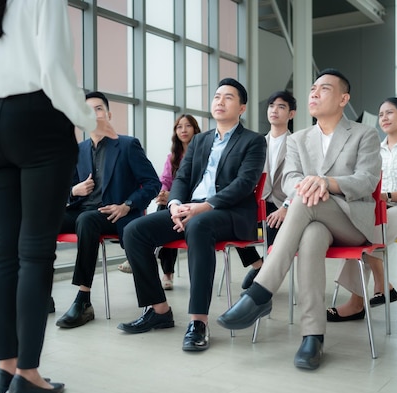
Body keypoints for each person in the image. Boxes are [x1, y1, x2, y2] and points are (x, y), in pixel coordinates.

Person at [0, 0, 117, 393]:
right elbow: (55, 69)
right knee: (35, 251)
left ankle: (5, 365)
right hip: (40, 119)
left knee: (2, 250)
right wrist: (87, 117)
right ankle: (28, 373)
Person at [216, 68, 381, 370]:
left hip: (351, 223)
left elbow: (367, 180)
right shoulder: (299, 139)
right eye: (312, 89)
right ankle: (312, 337)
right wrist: (309, 184)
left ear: (344, 98)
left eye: (324, 89)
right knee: (312, 234)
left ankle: (261, 290)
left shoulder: (364, 133)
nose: (314, 93)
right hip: (315, 218)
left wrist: (325, 182)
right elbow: (290, 178)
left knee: (305, 201)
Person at [117, 78, 267, 352]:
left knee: (198, 225)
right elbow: (183, 178)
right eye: (217, 96)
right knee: (134, 232)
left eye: (229, 97)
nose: (220, 101)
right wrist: (174, 203)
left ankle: (198, 321)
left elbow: (245, 184)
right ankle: (159, 310)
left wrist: (205, 206)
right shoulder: (200, 140)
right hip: (190, 209)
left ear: (242, 107)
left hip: (228, 213)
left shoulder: (253, 141)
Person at [55, 91, 160, 329]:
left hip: (114, 214)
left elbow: (153, 183)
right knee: (45, 221)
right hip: (84, 209)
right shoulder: (78, 150)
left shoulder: (127, 145)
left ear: (109, 114)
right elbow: (64, 189)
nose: (93, 114)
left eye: (99, 109)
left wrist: (127, 206)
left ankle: (83, 300)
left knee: (86, 220)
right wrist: (75, 191)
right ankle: (43, 292)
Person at [327, 97, 397, 321]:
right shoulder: (375, 150)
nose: (384, 117)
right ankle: (384, 286)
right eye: (381, 114)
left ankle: (358, 302)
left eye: (390, 113)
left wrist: (386, 196)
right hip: (378, 209)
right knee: (359, 231)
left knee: (369, 233)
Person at [236, 90, 297, 289]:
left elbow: (300, 182)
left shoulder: (297, 144)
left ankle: (263, 282)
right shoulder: (256, 142)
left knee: (273, 227)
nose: (274, 110)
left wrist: (287, 206)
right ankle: (258, 265)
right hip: (257, 202)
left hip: (282, 204)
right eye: (271, 106)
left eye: (281, 107)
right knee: (231, 223)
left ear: (291, 114)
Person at [155, 114, 202, 290]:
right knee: (164, 208)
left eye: (188, 126)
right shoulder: (172, 157)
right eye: (179, 127)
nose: (183, 130)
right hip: (174, 203)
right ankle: (166, 272)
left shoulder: (202, 154)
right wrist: (163, 193)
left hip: (194, 203)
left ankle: (156, 255)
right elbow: (166, 180)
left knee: (167, 215)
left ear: (195, 129)